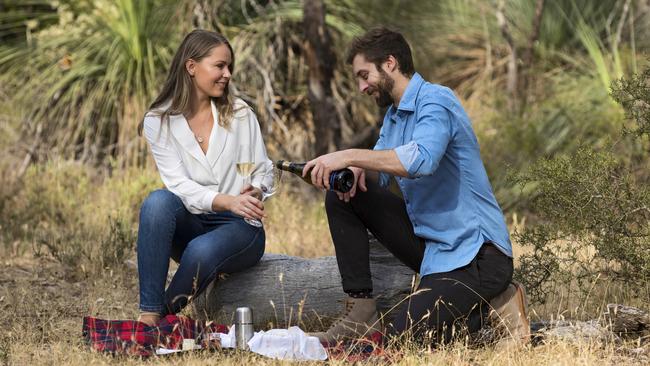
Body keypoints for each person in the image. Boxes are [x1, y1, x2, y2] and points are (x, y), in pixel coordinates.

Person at [304, 27, 529, 346]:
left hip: (477, 254)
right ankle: (360, 314)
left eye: (364, 75)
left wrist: (349, 154)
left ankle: (497, 300)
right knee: (343, 196)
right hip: (433, 249)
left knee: (403, 334)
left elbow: (421, 161)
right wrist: (353, 169)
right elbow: (379, 173)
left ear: (390, 63)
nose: (361, 86)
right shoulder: (394, 118)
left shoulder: (437, 100)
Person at [135, 30, 272, 325]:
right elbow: (178, 186)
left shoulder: (240, 114)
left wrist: (257, 190)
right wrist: (227, 201)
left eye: (229, 67)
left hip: (241, 228)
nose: (227, 74)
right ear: (191, 67)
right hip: (194, 222)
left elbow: (264, 169)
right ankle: (148, 310)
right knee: (157, 202)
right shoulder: (158, 120)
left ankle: (159, 318)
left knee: (201, 249)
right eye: (219, 66)